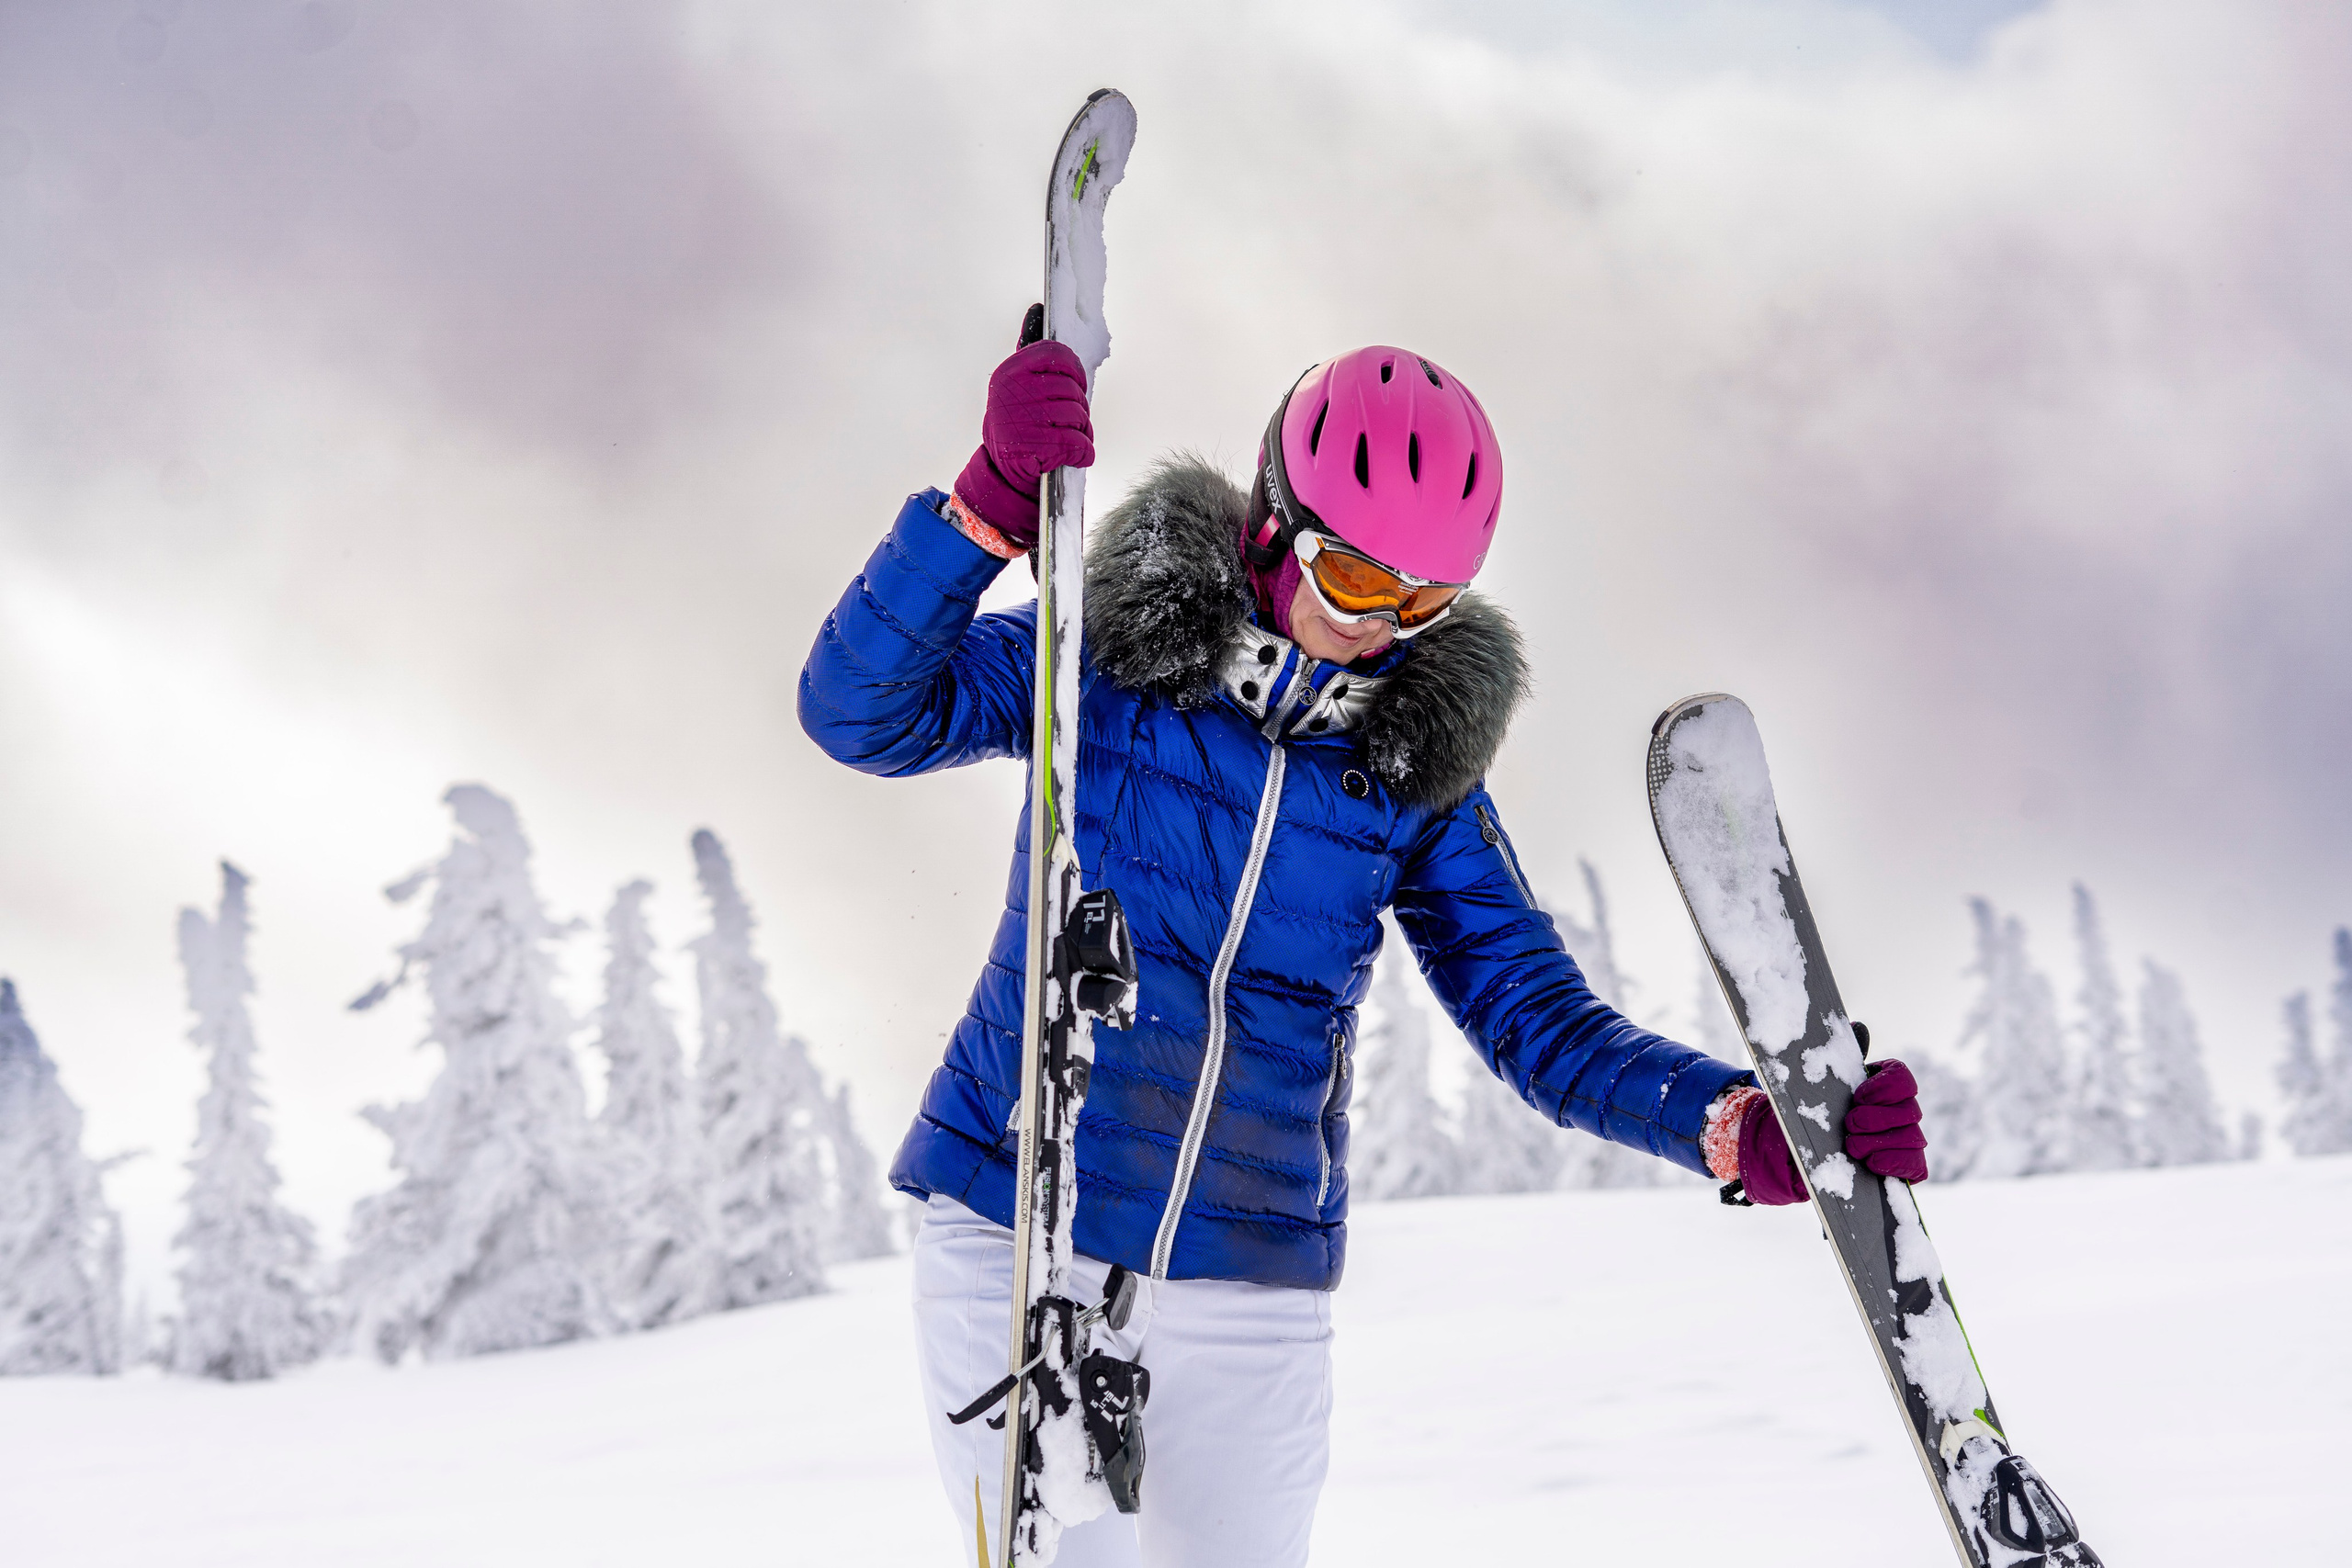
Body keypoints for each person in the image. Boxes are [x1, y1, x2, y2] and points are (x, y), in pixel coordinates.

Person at [798, 326, 1930, 1568]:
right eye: (1355, 583)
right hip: (1024, 1217)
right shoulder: (1108, 658)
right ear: (1272, 526)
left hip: (1253, 1277)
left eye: (1419, 603)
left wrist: (1732, 1118)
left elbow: (1534, 1019)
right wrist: (981, 516)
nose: (1376, 630)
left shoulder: (1410, 774)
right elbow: (864, 713)